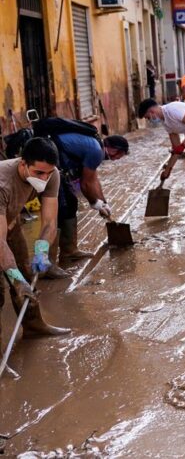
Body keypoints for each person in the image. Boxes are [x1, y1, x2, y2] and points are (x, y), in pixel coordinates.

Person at [0, 138, 72, 338]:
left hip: (10, 223)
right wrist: (14, 278)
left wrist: (41, 250)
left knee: (26, 274)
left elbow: (49, 221)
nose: (44, 178)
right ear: (23, 164)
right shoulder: (3, 182)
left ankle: (33, 326)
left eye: (48, 173)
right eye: (38, 173)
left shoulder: (51, 174)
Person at [49, 127, 130, 273]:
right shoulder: (96, 151)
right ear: (113, 149)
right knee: (59, 210)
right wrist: (95, 203)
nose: (117, 159)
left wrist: (104, 202)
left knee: (71, 204)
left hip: (58, 168)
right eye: (120, 155)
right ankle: (48, 264)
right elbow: (85, 184)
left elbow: (93, 179)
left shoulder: (96, 148)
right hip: (49, 166)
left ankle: (69, 251)